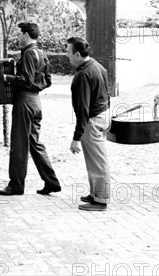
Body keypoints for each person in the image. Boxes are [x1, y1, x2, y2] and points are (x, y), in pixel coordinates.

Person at [0, 22, 61, 196]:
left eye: (20, 33)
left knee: (19, 144)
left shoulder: (28, 53)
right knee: (35, 143)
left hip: (25, 102)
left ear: (26, 35)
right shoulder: (41, 53)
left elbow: (26, 80)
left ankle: (16, 185)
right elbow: (48, 80)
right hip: (36, 102)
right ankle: (51, 182)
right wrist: (35, 88)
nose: (18, 37)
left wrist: (2, 77)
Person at [67, 37, 111, 211]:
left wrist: (76, 137)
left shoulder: (83, 74)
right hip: (102, 116)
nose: (67, 56)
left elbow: (82, 109)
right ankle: (95, 194)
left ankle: (101, 200)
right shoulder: (97, 66)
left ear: (77, 54)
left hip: (92, 120)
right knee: (94, 159)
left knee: (98, 162)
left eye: (69, 53)